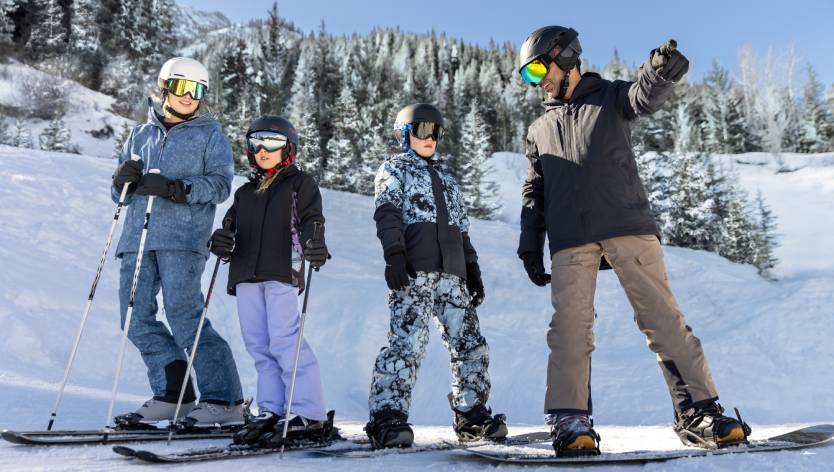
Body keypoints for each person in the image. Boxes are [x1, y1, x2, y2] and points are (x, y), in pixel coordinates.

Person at [516, 26, 751, 456]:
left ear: (565, 58)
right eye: (527, 77)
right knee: (569, 330)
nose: (536, 82)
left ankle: (699, 412)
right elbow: (535, 193)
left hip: (626, 225)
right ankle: (570, 421)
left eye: (537, 69)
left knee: (663, 321)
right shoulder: (539, 129)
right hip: (571, 239)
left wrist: (659, 72)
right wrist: (530, 243)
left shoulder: (609, 97)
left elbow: (643, 96)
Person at [110, 57, 245, 428]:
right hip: (137, 240)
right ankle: (175, 394)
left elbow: (220, 185)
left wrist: (176, 188)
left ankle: (225, 399)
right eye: (183, 87)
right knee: (134, 319)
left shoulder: (209, 134)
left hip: (182, 241)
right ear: (165, 87)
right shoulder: (140, 134)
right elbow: (118, 194)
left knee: (184, 316)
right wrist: (122, 178)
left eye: (198, 90)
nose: (190, 97)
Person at [365, 103, 508, 449]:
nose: (430, 138)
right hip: (415, 270)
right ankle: (388, 416)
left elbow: (462, 228)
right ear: (405, 134)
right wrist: (395, 254)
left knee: (470, 345)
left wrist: (471, 268)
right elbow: (387, 214)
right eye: (422, 130)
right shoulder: (394, 169)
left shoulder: (447, 178)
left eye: (436, 132)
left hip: (453, 273)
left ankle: (471, 414)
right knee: (407, 343)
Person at [207, 115, 331, 445]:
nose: (263, 149)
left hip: (282, 271)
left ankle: (309, 413)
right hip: (246, 274)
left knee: (285, 341)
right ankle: (272, 410)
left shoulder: (299, 184)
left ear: (288, 148)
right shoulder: (245, 193)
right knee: (259, 345)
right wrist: (221, 241)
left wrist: (313, 243)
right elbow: (228, 230)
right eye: (256, 143)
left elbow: (311, 221)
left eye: (272, 143)